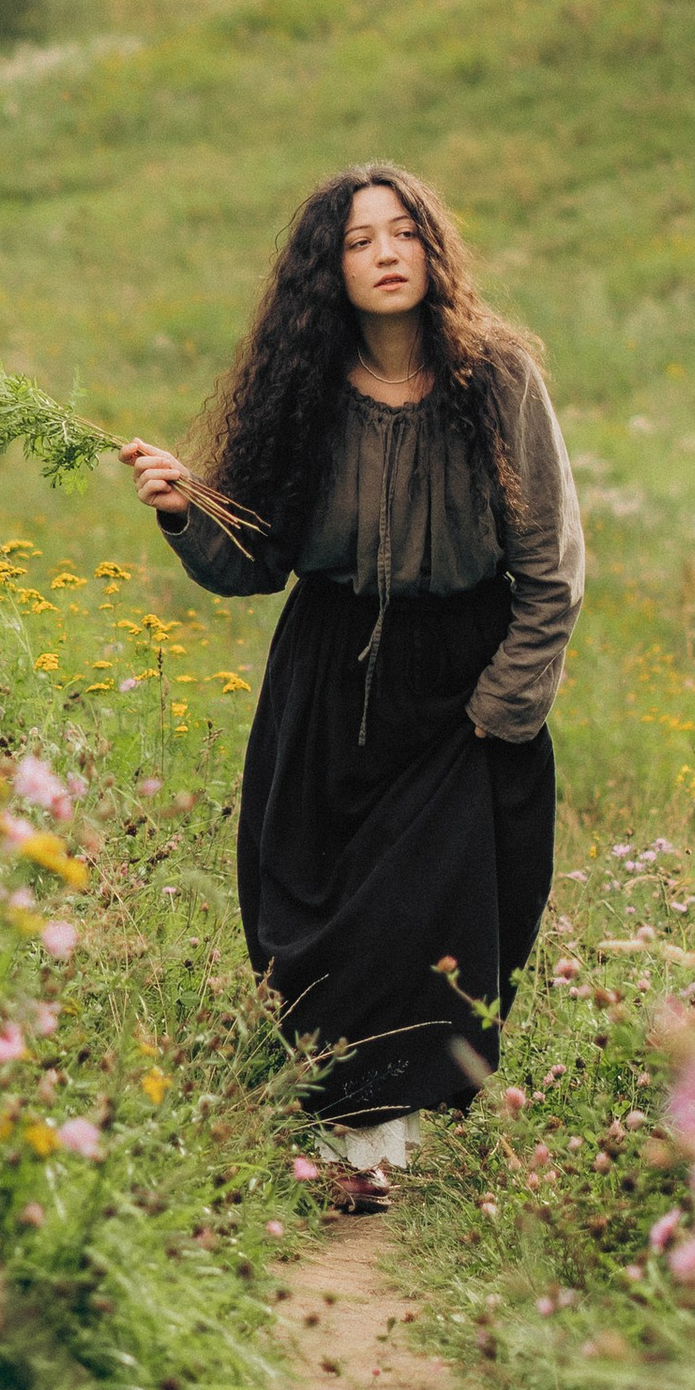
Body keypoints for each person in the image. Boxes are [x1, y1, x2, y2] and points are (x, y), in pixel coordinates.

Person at [121, 166, 585, 1214]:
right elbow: (253, 564)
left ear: (432, 251)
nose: (384, 253)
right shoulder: (303, 386)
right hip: (327, 682)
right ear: (326, 272)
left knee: (424, 927)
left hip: (462, 684)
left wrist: (500, 713)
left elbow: (552, 565)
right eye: (358, 240)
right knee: (321, 926)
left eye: (403, 232)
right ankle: (360, 1145)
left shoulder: (499, 378)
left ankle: (370, 1152)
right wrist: (184, 511)